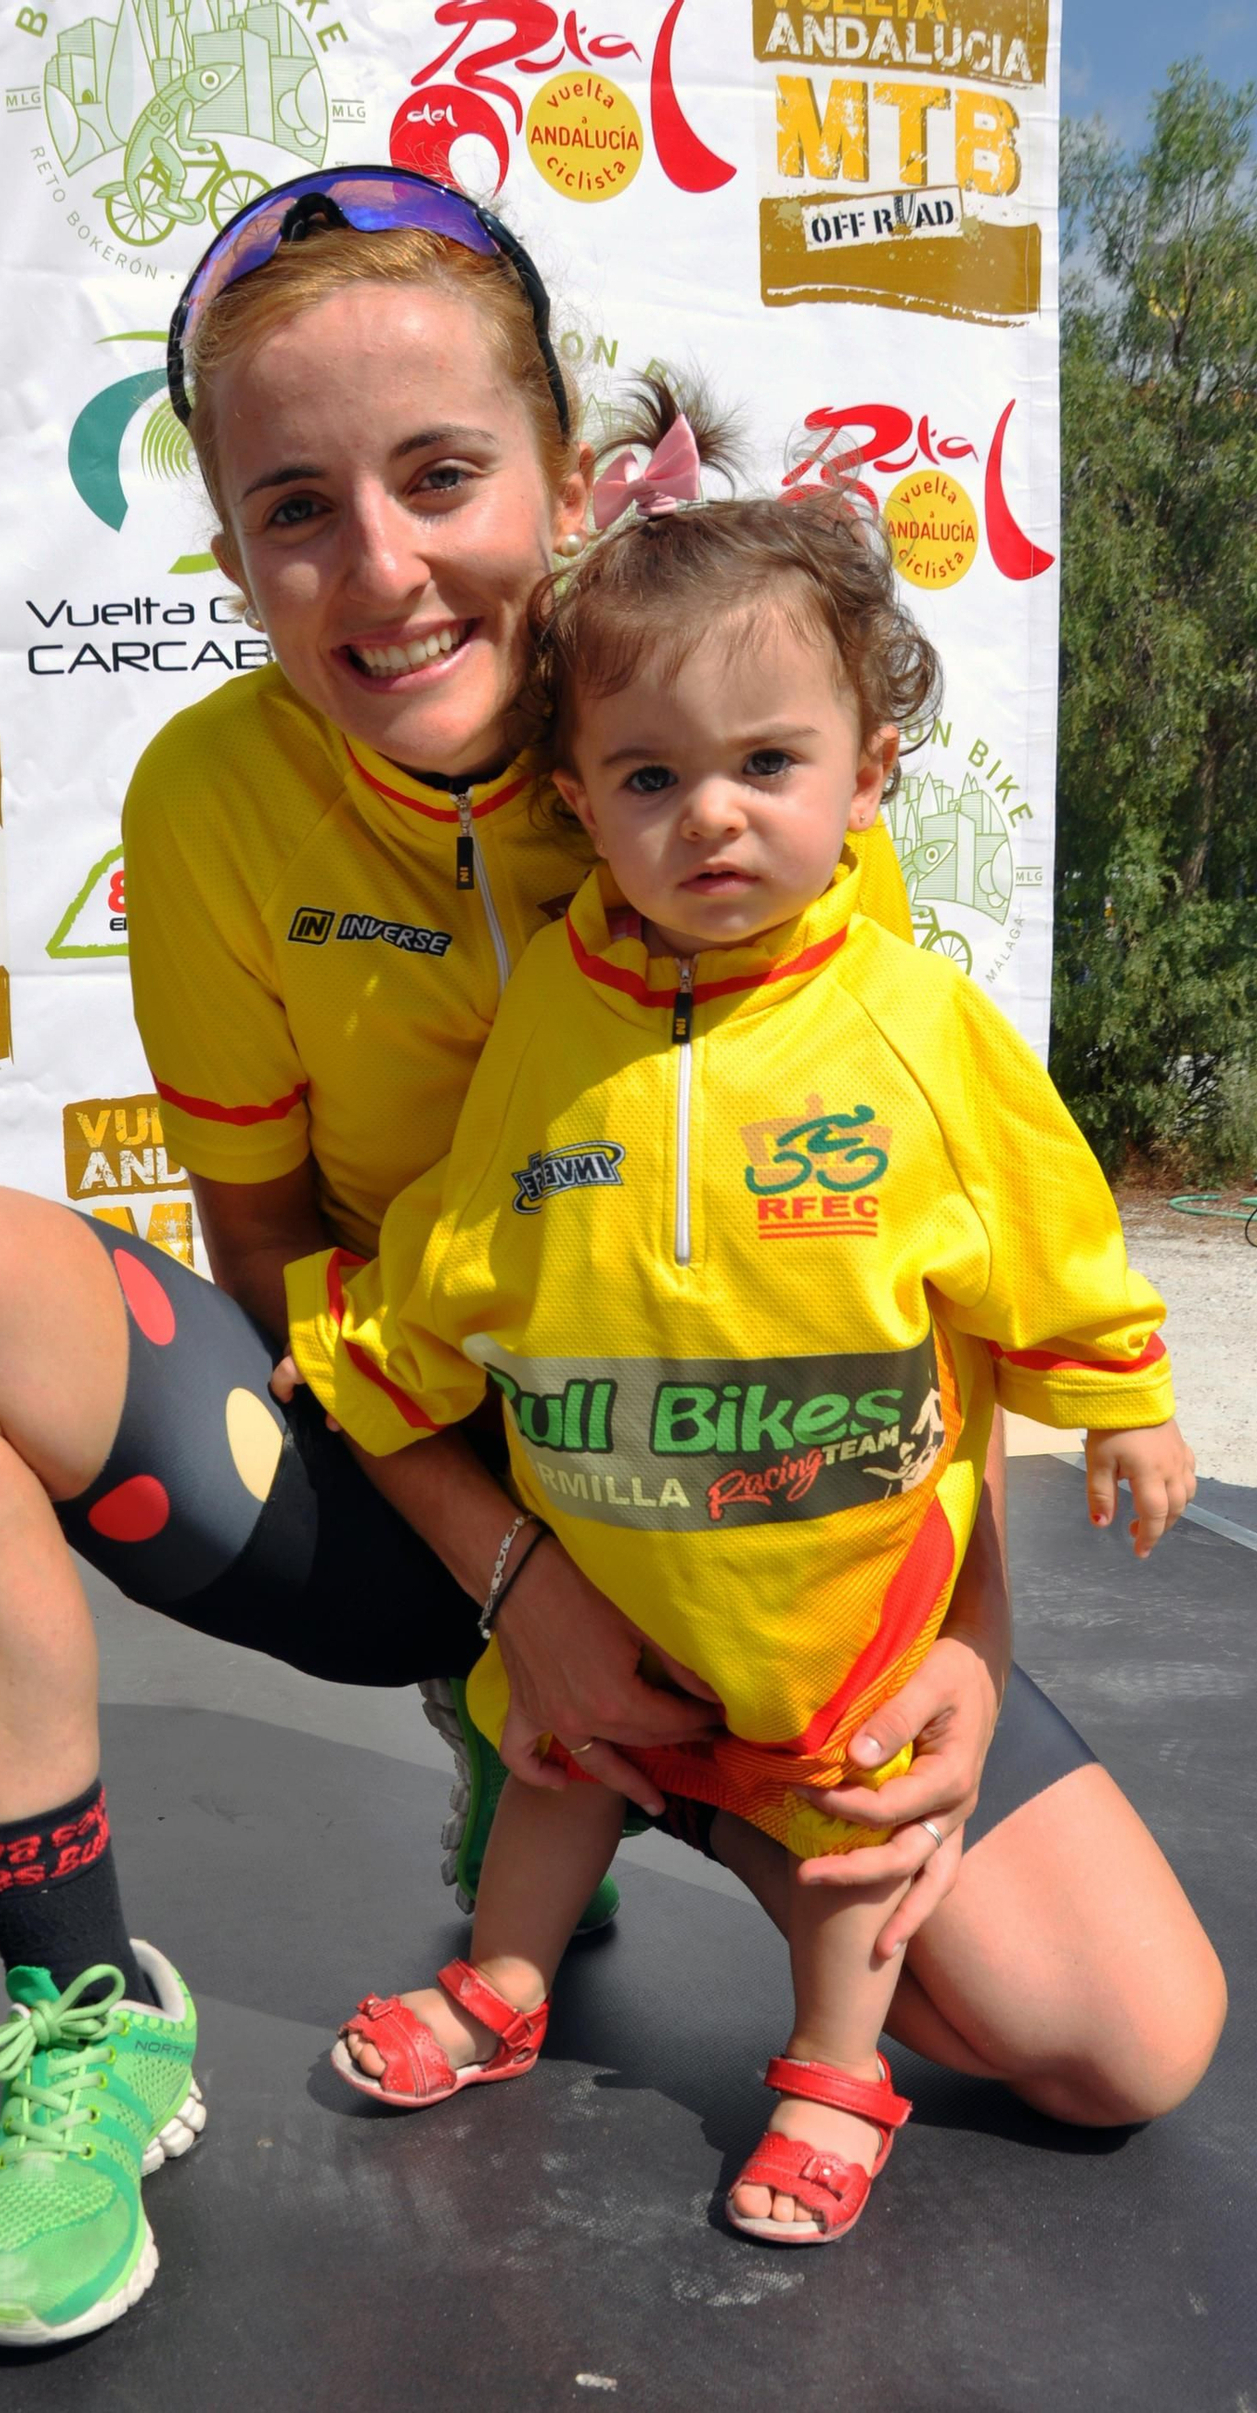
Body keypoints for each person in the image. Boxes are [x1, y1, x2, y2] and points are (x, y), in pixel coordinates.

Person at [0, 167, 1224, 2340]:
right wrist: (517, 1590)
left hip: (738, 1535)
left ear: (557, 470)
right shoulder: (203, 803)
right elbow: (262, 1249)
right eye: (293, 508)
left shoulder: (742, 732)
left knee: (1123, 2042)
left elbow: (934, 1261)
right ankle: (95, 2021)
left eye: (439, 475)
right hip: (412, 1484)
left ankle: (654, 1785)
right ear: (235, 546)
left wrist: (962, 1649)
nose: (378, 569)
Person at [275, 383, 1198, 2241]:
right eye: (648, 776)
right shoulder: (553, 1013)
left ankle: (835, 2069)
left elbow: (1042, 1226)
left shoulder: (915, 1027)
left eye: (767, 765)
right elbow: (490, 1208)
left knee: (865, 1834)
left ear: (867, 776)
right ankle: (508, 1984)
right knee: (556, 1764)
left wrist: (1124, 1394)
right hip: (613, 1582)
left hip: (834, 1601)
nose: (709, 815)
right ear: (576, 797)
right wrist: (383, 1347)